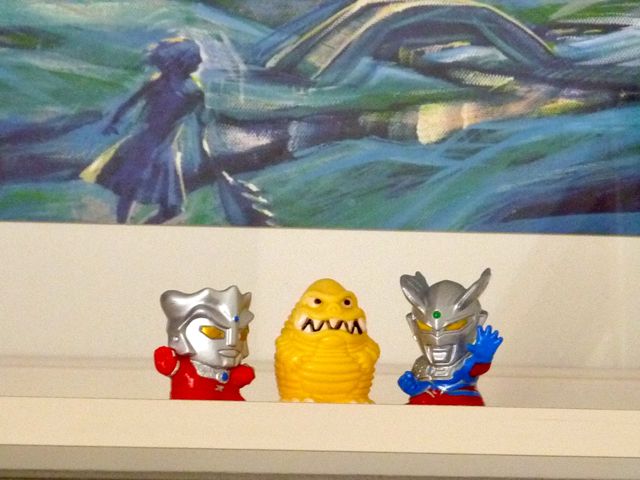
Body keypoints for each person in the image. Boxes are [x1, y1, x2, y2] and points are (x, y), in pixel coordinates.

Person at [80, 37, 209, 223]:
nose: (200, 61)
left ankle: (130, 228)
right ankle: (124, 228)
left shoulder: (189, 90)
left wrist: (114, 121)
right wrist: (114, 121)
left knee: (165, 205)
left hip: (163, 149)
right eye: (195, 58)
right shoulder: (168, 85)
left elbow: (201, 122)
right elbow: (131, 102)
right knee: (132, 191)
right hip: (146, 146)